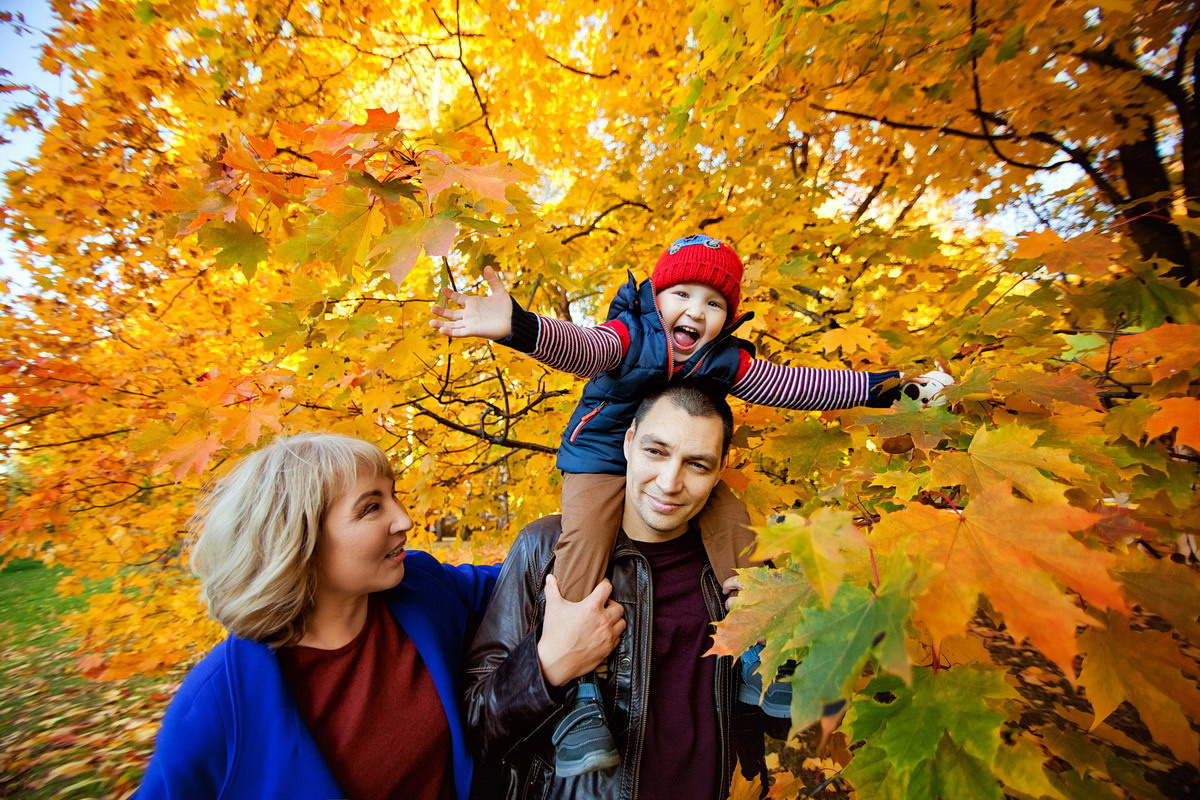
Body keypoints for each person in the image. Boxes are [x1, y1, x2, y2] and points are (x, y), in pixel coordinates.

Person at [432, 233, 946, 774]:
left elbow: (801, 385)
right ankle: (582, 698)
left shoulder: (725, 362)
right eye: (682, 294)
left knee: (736, 524)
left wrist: (887, 389)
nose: (695, 312)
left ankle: (755, 647)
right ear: (656, 298)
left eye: (715, 303)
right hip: (597, 453)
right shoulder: (631, 338)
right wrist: (519, 326)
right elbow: (579, 346)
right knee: (581, 544)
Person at [463, 382, 790, 800]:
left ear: (722, 467)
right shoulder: (545, 549)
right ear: (629, 442)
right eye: (656, 451)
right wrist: (548, 664)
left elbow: (790, 723)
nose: (670, 482)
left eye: (697, 465)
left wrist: (781, 643)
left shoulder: (748, 565)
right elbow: (478, 728)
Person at [135, 433, 501, 800]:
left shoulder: (423, 589)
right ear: (299, 540)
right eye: (371, 507)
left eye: (393, 495)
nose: (404, 520)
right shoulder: (217, 702)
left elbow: (526, 575)